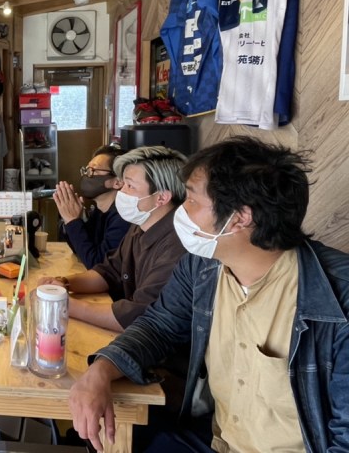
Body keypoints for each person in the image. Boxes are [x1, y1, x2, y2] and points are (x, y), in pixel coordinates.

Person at [69, 136, 349, 453]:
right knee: (110, 436)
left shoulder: (338, 300)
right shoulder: (203, 265)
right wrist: (101, 369)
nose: (180, 211)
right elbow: (159, 326)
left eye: (191, 200)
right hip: (217, 440)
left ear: (240, 217)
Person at [43, 145, 188, 333]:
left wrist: (65, 305)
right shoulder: (140, 226)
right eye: (123, 184)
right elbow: (109, 271)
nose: (122, 191)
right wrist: (64, 283)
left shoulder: (177, 246)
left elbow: (137, 316)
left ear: (161, 197)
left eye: (130, 186)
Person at [54, 144, 131, 268]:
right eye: (86, 170)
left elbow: (97, 264)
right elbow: (81, 250)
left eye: (93, 170)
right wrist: (74, 219)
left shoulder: (123, 218)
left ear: (117, 182)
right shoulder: (99, 212)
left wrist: (72, 221)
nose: (86, 175)